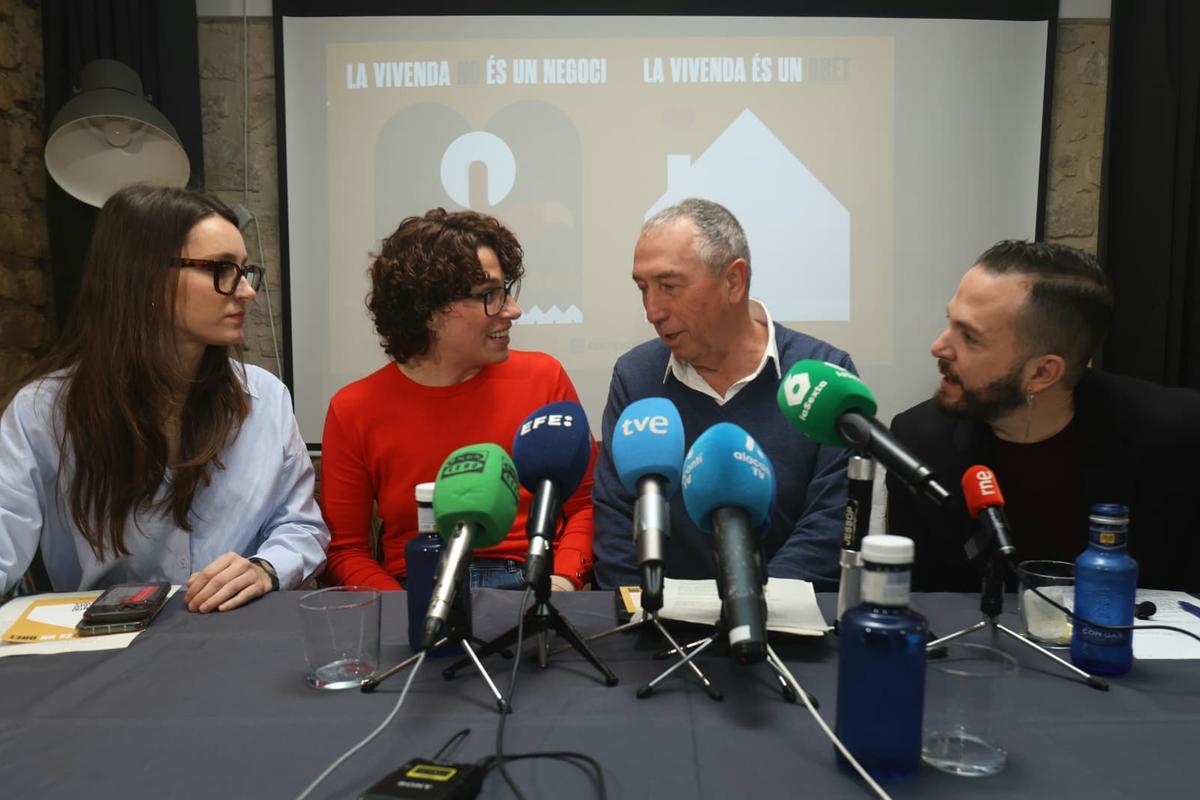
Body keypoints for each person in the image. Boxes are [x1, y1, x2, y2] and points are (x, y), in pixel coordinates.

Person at [0, 184, 329, 610]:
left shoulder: (265, 398)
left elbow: (301, 526)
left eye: (245, 271)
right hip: (105, 650)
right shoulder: (44, 412)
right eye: (223, 269)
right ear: (147, 277)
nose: (246, 291)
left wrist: (266, 567)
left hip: (236, 633)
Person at [887, 240, 1200, 592]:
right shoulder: (919, 440)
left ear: (1042, 373)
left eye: (970, 337)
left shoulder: (1177, 438)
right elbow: (920, 599)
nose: (939, 347)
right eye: (950, 322)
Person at [319, 208, 594, 592]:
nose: (512, 310)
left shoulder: (544, 379)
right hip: (414, 586)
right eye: (489, 296)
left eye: (506, 291)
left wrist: (565, 582)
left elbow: (585, 506)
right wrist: (405, 613)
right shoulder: (353, 409)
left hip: (530, 582)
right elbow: (345, 551)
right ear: (428, 311)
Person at [592, 198, 855, 591]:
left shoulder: (822, 378)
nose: (652, 310)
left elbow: (831, 527)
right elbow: (616, 527)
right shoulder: (636, 377)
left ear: (734, 280)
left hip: (785, 631)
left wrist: (748, 607)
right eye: (643, 288)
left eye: (668, 286)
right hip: (662, 633)